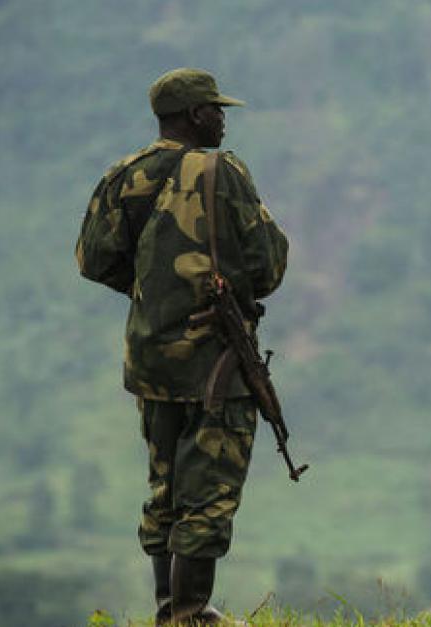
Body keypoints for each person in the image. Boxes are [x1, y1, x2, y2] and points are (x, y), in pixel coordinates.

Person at [75, 67, 289, 626]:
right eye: (216, 109)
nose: (222, 119)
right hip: (217, 360)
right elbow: (267, 264)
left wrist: (153, 289)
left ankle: (170, 607)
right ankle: (191, 615)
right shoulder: (224, 171)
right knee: (210, 490)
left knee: (165, 485)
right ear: (196, 114)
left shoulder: (125, 173)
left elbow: (93, 261)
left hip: (150, 360)